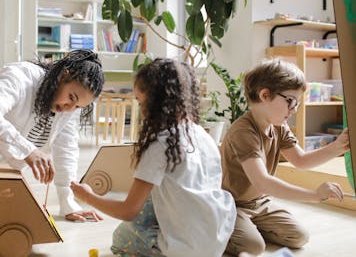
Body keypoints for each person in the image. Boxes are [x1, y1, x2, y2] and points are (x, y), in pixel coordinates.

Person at [71, 58, 236, 257]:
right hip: (216, 241)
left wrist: (88, 196)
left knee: (121, 239)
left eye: (141, 102)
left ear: (156, 101)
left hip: (184, 250)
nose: (141, 111)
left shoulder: (162, 145)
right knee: (153, 196)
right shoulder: (203, 135)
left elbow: (128, 211)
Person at [0, 49, 105, 221]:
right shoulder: (21, 77)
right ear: (63, 75)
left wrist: (67, 202)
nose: (69, 108)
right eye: (71, 97)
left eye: (77, 106)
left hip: (1, 149)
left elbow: (66, 148)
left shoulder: (69, 108)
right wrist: (27, 150)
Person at [220, 58, 350, 256]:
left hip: (260, 203)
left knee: (299, 237)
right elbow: (263, 182)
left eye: (297, 103)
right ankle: (226, 225)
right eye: (290, 101)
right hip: (232, 204)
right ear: (265, 95)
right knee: (253, 247)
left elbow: (301, 160)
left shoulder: (279, 126)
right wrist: (314, 195)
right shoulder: (243, 132)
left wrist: (336, 147)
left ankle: (249, 227)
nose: (294, 109)